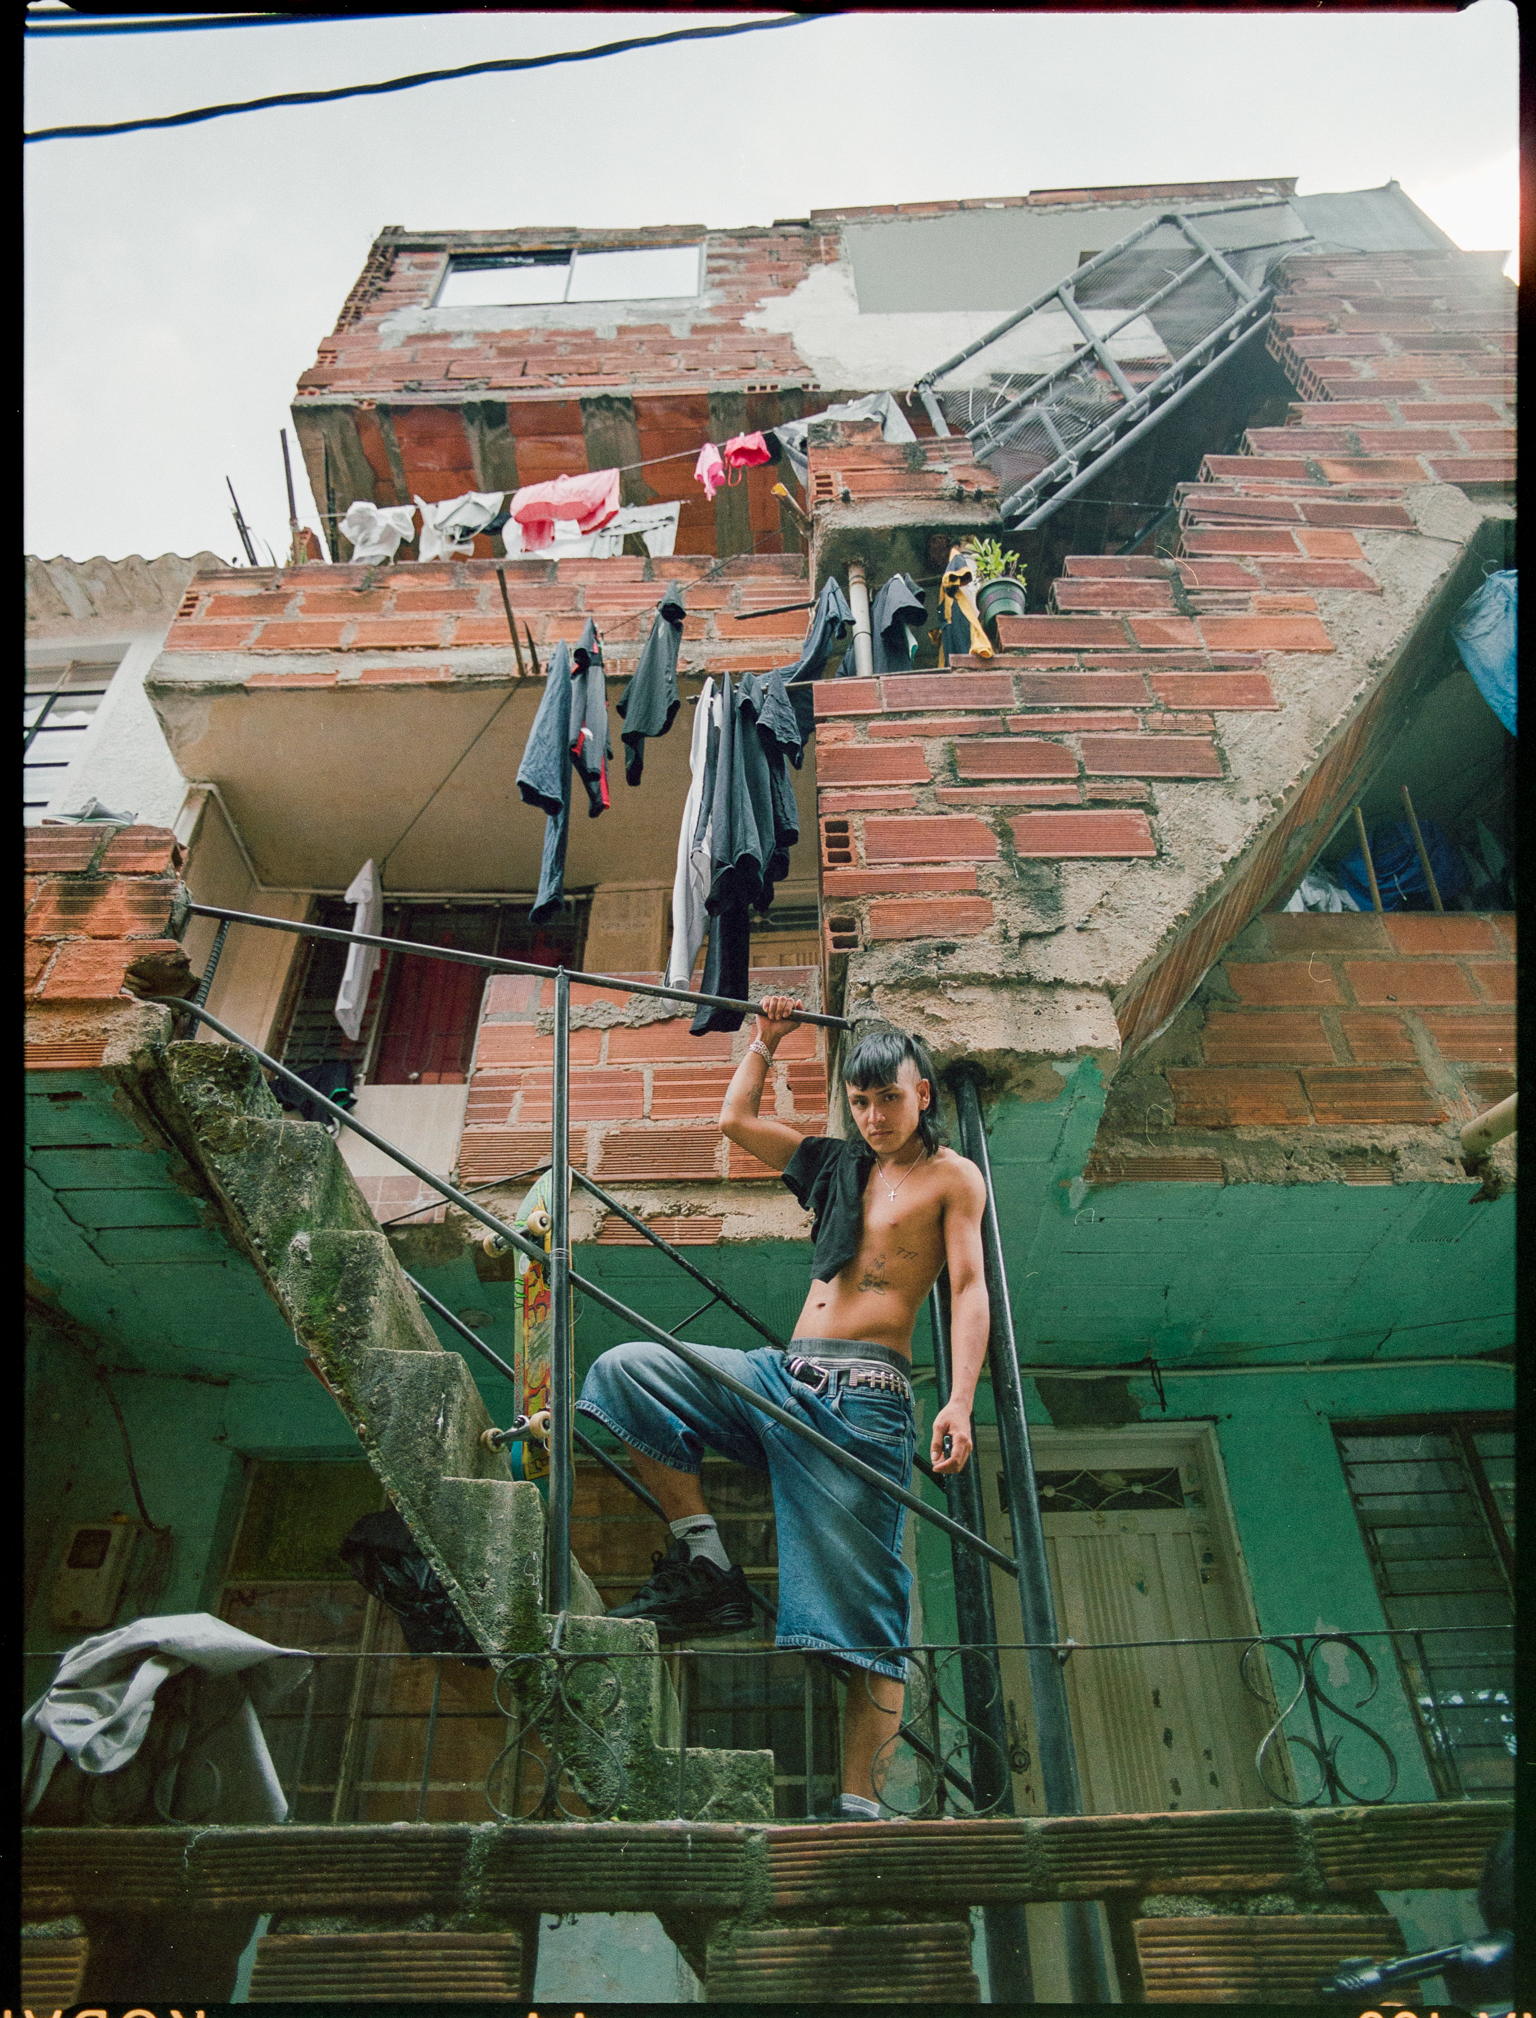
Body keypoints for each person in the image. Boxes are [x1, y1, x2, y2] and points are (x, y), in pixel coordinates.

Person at [577, 998, 990, 1820]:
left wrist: (960, 1400)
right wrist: (764, 1041)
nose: (874, 1117)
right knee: (631, 1372)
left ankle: (859, 1806)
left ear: (924, 1096)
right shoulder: (838, 1163)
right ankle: (706, 1564)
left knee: (868, 1610)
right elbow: (736, 1120)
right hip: (781, 1376)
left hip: (864, 1404)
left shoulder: (952, 1177)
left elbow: (971, 1287)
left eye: (890, 1100)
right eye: (861, 1101)